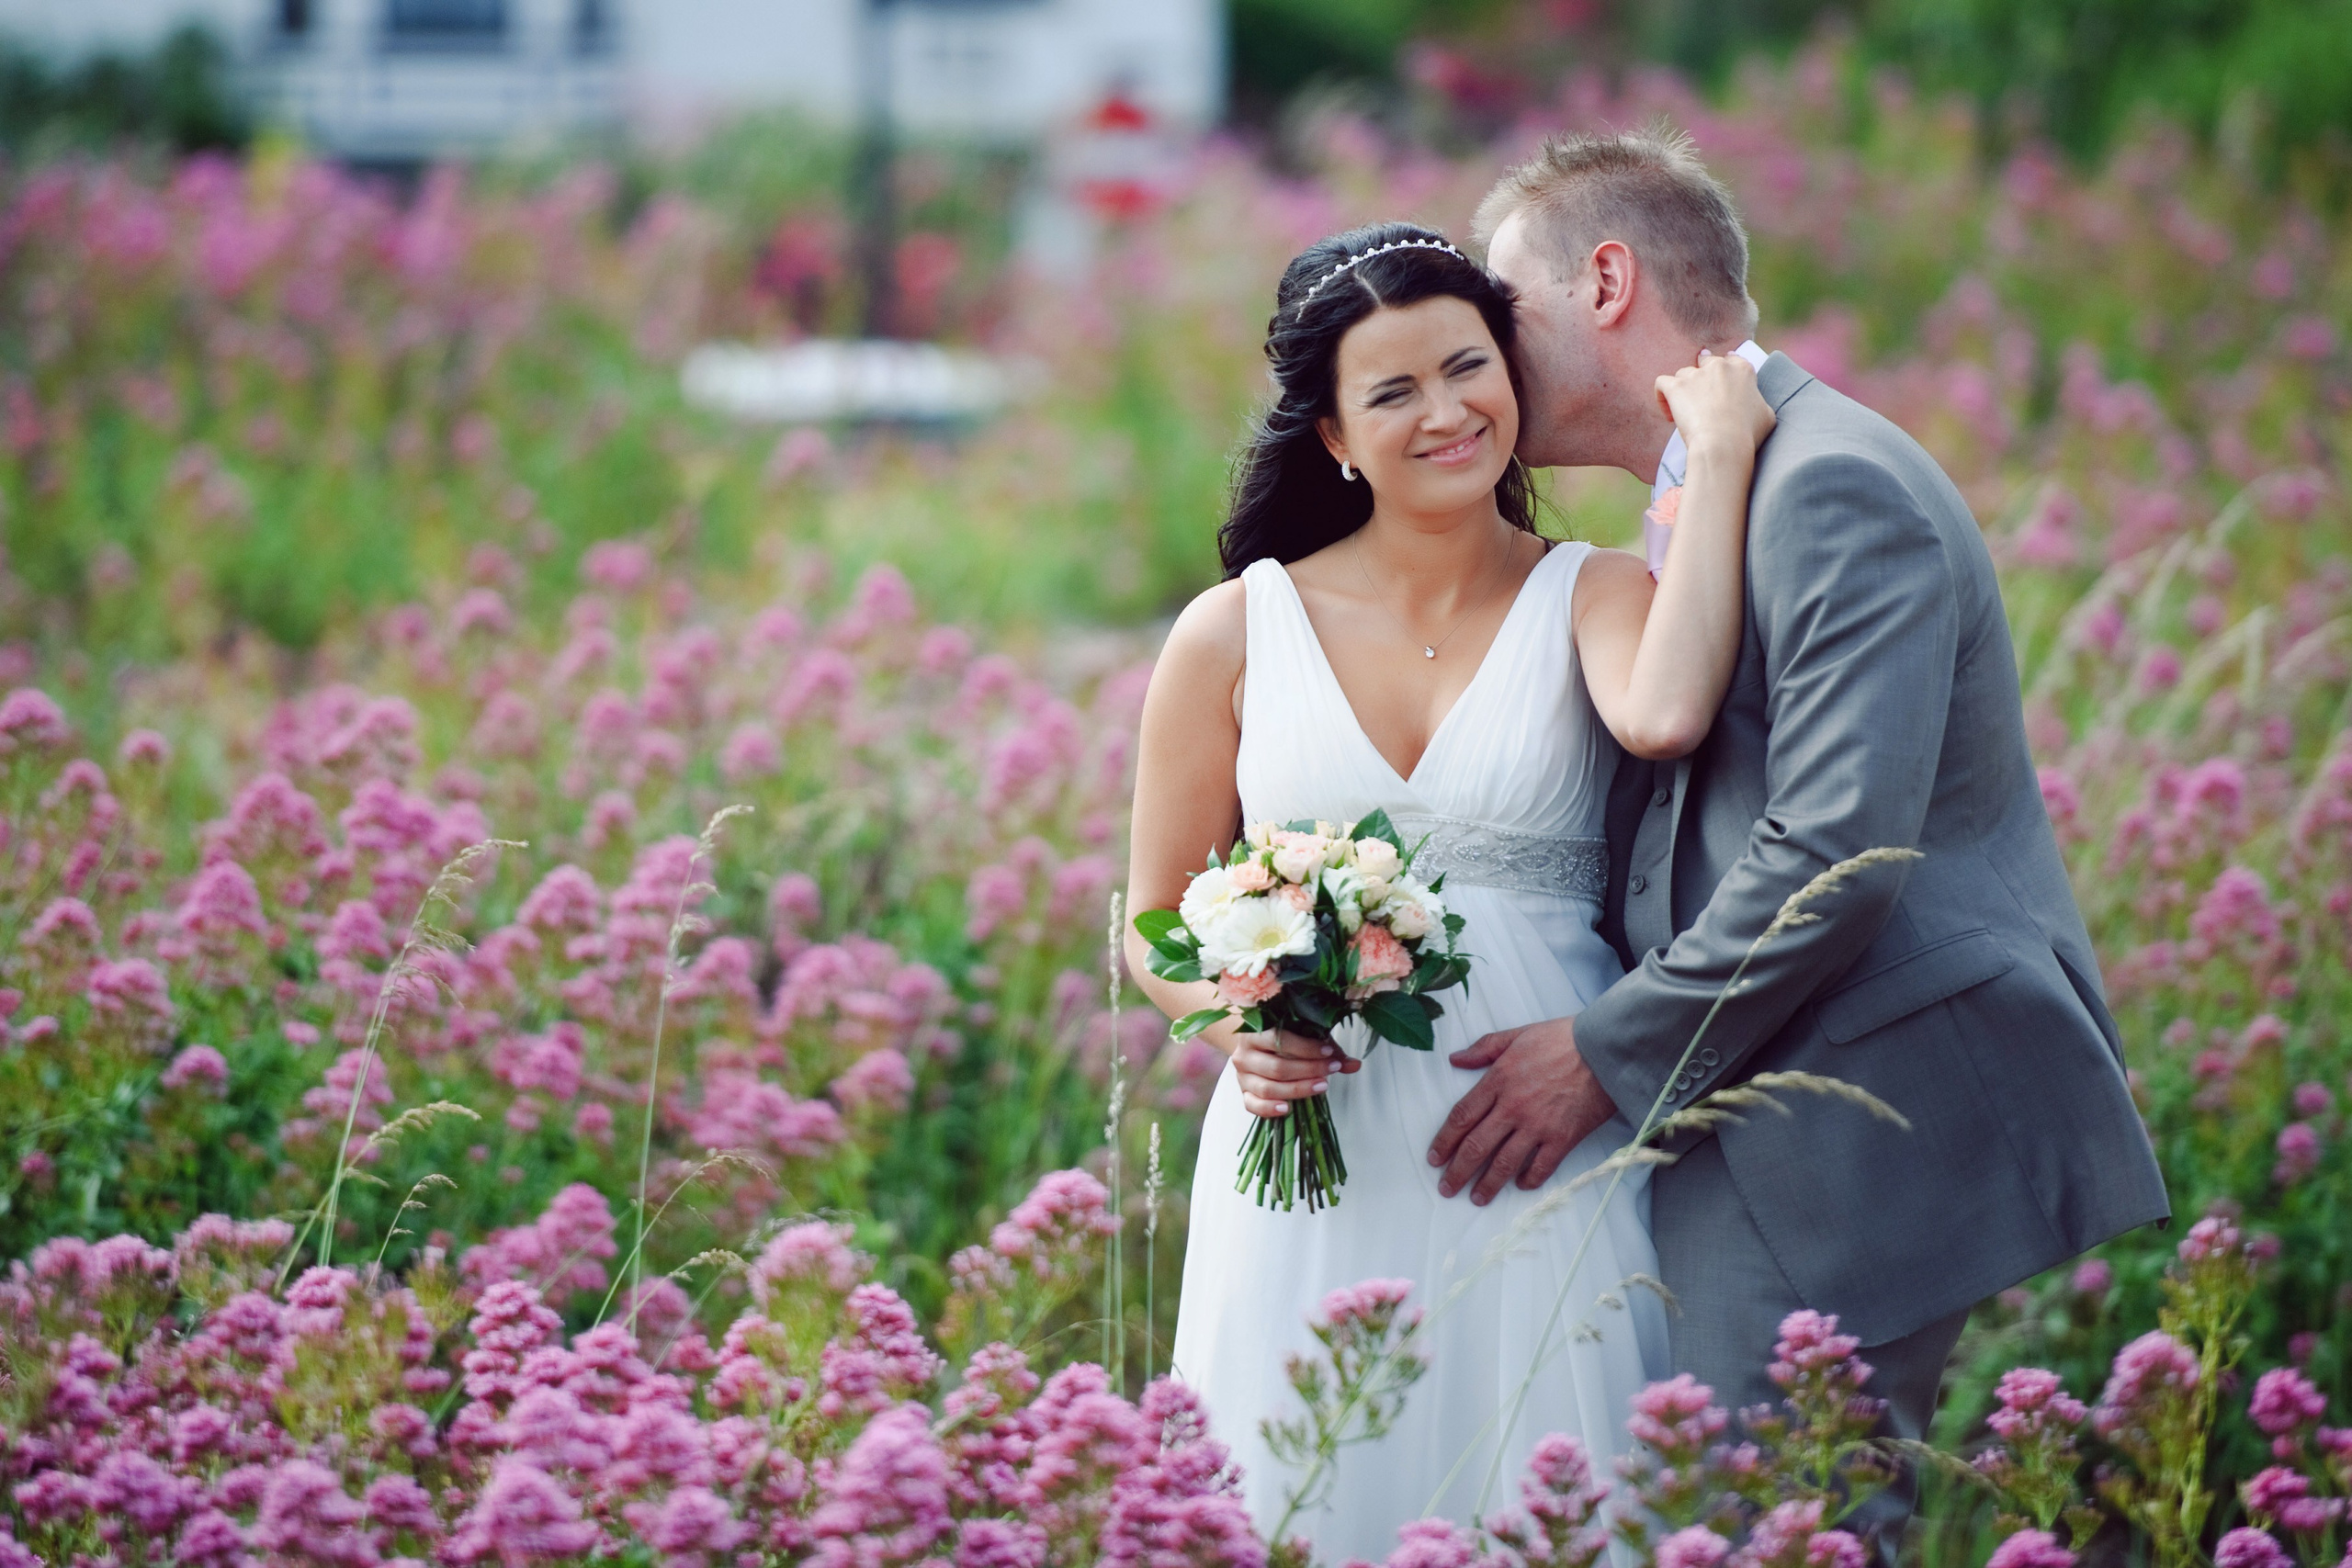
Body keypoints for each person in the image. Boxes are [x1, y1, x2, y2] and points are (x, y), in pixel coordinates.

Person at [1427, 125, 2170, 1550]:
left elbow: (1840, 846)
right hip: (1761, 1078)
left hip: (1854, 1098)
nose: (1482, 351)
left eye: (1501, 308)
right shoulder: (1713, 484)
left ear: (1605, 280)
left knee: (1778, 1527)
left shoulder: (1830, 483)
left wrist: (1601, 1051)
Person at [1124, 219, 1775, 1559]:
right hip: (1317, 1148)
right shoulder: (1234, 629)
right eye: (1394, 391)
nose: (1447, 412)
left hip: (1542, 1124)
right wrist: (1240, 1021)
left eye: (1468, 367)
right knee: (1311, 1483)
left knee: (1556, 1487)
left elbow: (1661, 714)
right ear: (1336, 439)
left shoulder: (1591, 588)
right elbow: (1155, 920)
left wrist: (1714, 460)